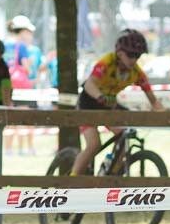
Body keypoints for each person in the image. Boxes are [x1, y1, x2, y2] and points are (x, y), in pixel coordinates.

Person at [70, 28, 164, 176]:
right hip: (87, 103)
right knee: (94, 144)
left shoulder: (136, 73)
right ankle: (71, 179)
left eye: (138, 56)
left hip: (108, 104)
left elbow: (153, 100)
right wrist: (99, 96)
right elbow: (89, 84)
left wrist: (165, 115)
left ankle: (109, 174)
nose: (134, 59)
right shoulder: (107, 62)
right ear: (119, 53)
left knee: (123, 136)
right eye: (131, 55)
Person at [5, 15, 41, 155]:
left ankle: (8, 149)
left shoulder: (4, 44)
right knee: (24, 118)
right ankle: (24, 149)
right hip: (22, 88)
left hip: (7, 86)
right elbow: (27, 69)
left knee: (10, 119)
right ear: (22, 31)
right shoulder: (21, 46)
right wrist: (30, 65)